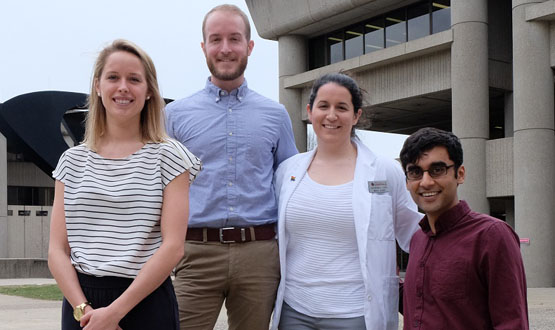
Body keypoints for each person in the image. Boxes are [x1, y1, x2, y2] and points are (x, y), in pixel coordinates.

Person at [48, 39, 201, 330]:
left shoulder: (170, 157)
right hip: (82, 306)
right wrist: (84, 310)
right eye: (113, 77)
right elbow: (57, 249)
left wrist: (115, 313)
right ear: (97, 86)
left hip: (145, 301)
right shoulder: (71, 161)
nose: (123, 87)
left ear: (148, 91)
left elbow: (172, 247)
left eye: (134, 79)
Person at [165, 4, 298, 330]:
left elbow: (291, 184)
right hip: (194, 254)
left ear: (250, 46)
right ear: (204, 47)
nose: (225, 49)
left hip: (259, 256)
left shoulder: (276, 115)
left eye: (235, 39)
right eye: (216, 39)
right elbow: (160, 189)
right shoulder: (175, 116)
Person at [271, 73, 422, 330]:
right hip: (294, 311)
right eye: (323, 106)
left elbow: (415, 236)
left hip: (355, 314)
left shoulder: (385, 171)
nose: (332, 115)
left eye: (342, 107)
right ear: (309, 112)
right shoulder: (287, 171)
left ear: (356, 116)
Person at [399, 127, 529, 329]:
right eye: (415, 172)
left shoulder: (492, 235)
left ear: (460, 174)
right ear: (407, 181)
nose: (426, 182)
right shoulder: (418, 239)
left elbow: (512, 323)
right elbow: (423, 307)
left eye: (437, 170)